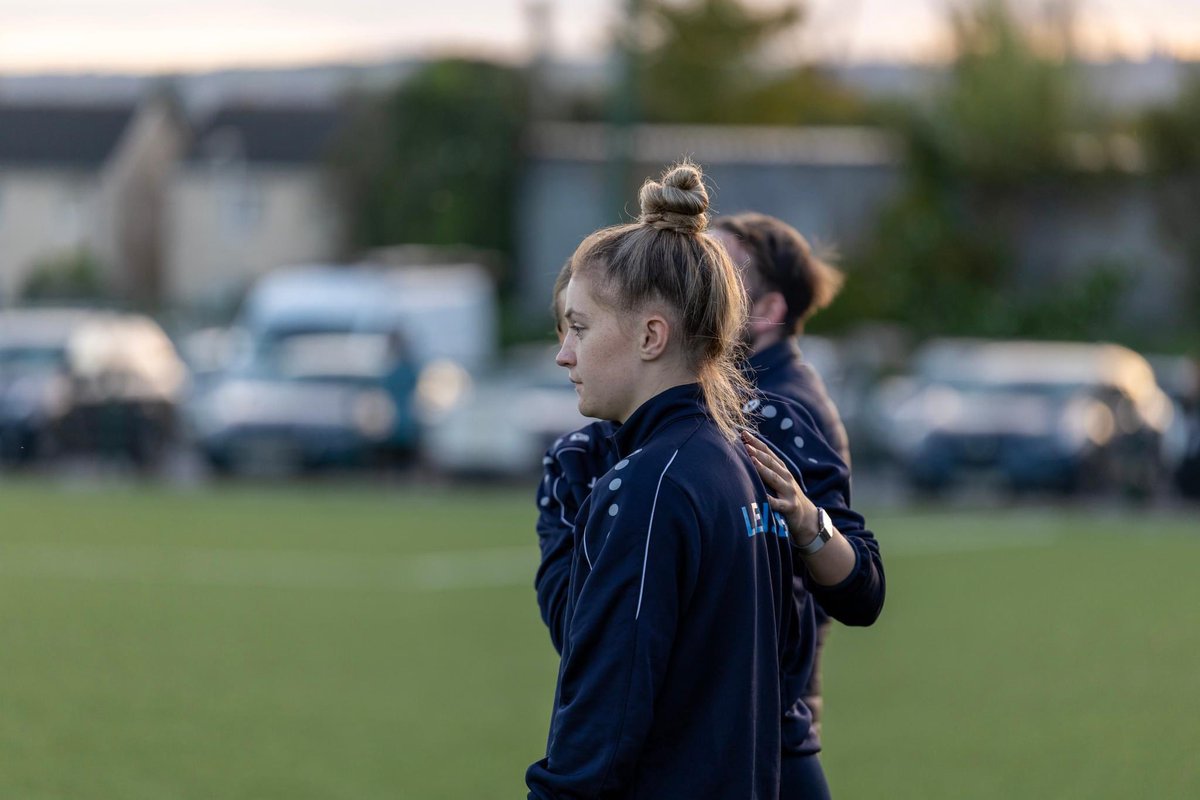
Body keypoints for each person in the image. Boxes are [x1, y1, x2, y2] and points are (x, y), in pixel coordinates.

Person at [528, 161, 884, 799]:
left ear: (653, 334)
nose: (564, 352)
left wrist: (812, 525)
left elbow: (603, 711)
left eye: (579, 328)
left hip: (759, 751)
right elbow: (584, 634)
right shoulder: (696, 457)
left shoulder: (716, 456)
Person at [711, 212, 851, 738]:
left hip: (767, 708)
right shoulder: (759, 392)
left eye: (721, 276)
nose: (698, 286)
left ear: (769, 310)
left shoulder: (780, 408)